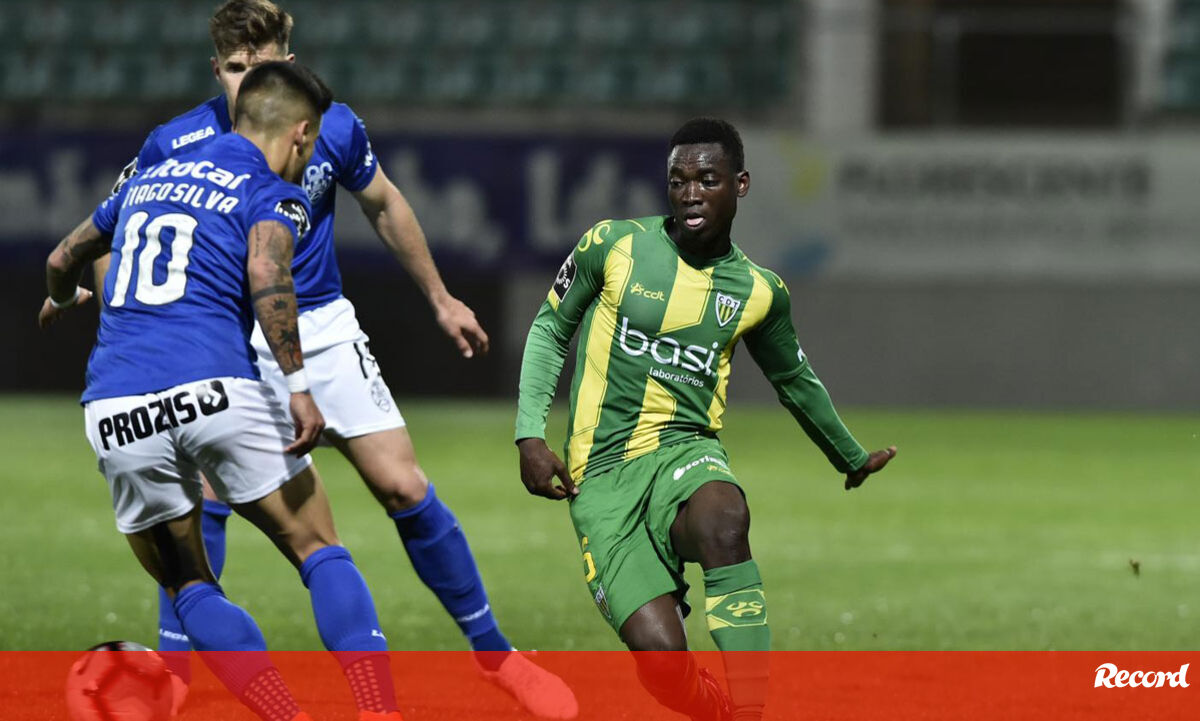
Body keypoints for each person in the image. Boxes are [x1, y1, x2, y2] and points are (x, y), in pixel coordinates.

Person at [81, 2, 575, 717]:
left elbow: (385, 203)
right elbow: (113, 231)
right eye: (235, 66)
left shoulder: (330, 125)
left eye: (263, 63)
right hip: (226, 332)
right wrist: (126, 319)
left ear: (289, 58)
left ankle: (496, 656)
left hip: (320, 326)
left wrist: (439, 297)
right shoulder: (174, 141)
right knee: (204, 501)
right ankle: (174, 676)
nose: (249, 78)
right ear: (216, 69)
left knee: (403, 484)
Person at [41, 62, 405, 721]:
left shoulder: (145, 177)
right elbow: (267, 272)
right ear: (300, 135)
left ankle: (287, 718)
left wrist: (64, 299)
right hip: (214, 386)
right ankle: (379, 711)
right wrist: (298, 386)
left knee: (189, 584)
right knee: (319, 548)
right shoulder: (271, 191)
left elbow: (62, 259)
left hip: (117, 406)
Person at [515, 117, 898, 721]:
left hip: (685, 452)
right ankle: (717, 710)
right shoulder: (612, 245)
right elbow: (549, 329)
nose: (691, 194)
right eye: (679, 181)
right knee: (662, 662)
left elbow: (794, 380)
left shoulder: (759, 292)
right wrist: (529, 435)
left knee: (725, 519)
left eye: (707, 180)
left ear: (740, 185)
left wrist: (849, 456)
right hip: (601, 479)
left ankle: (749, 712)